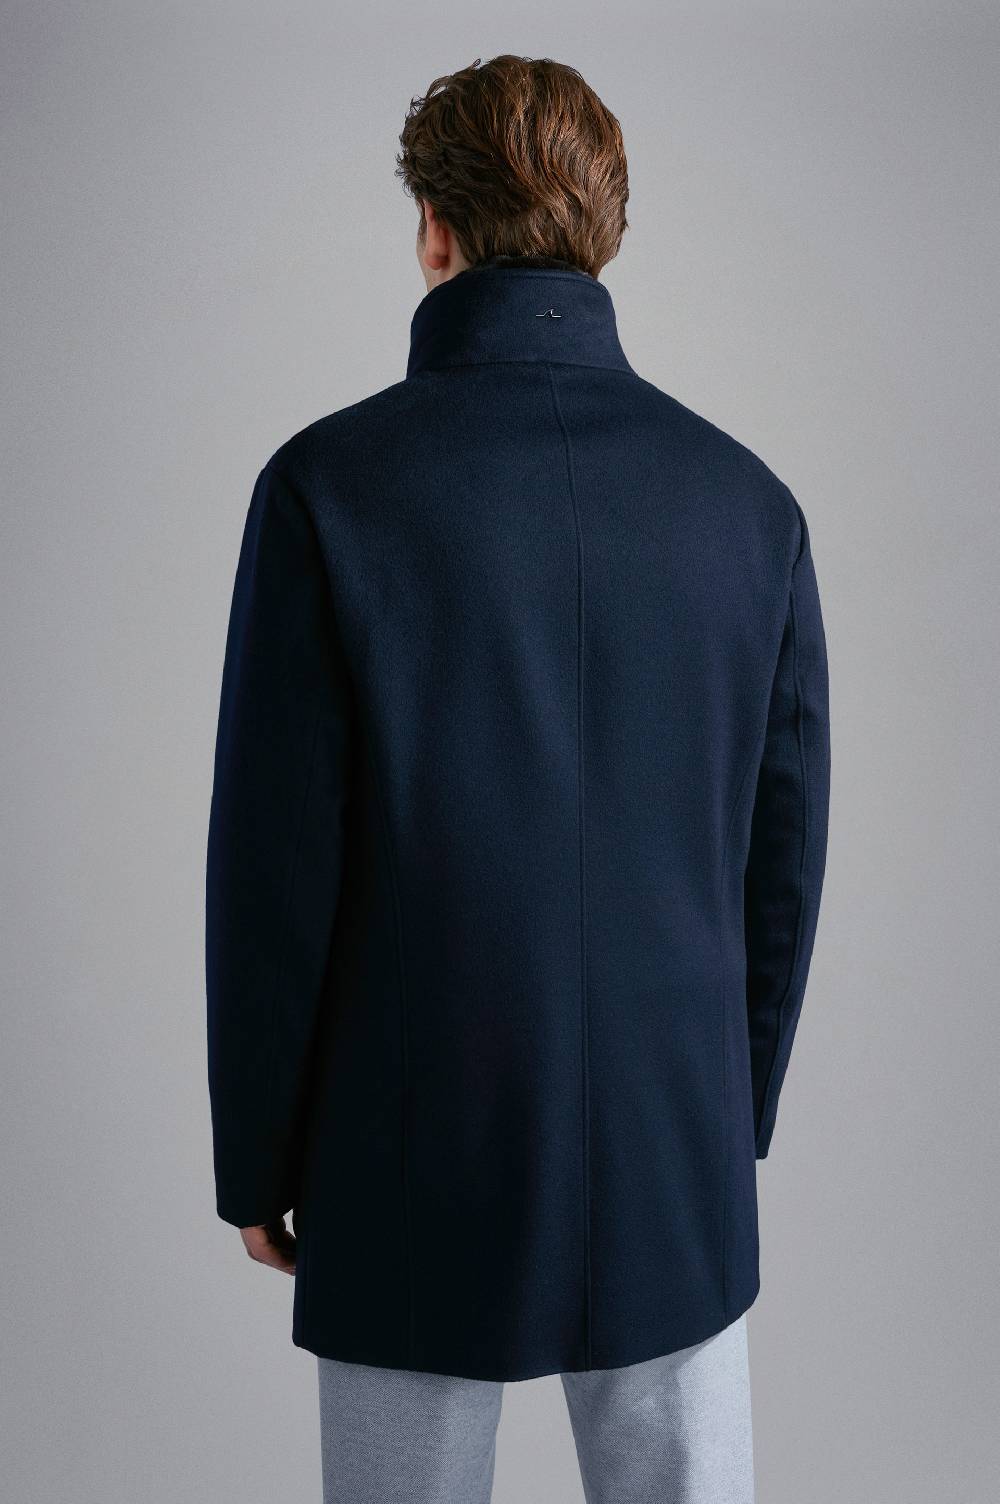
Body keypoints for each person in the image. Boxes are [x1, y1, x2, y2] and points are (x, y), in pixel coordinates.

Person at [205, 53, 831, 1504]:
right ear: (604, 230)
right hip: (672, 1138)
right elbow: (780, 863)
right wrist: (725, 1113)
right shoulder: (750, 504)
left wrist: (262, 1153)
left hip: (404, 1133)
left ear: (434, 228)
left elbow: (277, 867)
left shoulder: (328, 488)